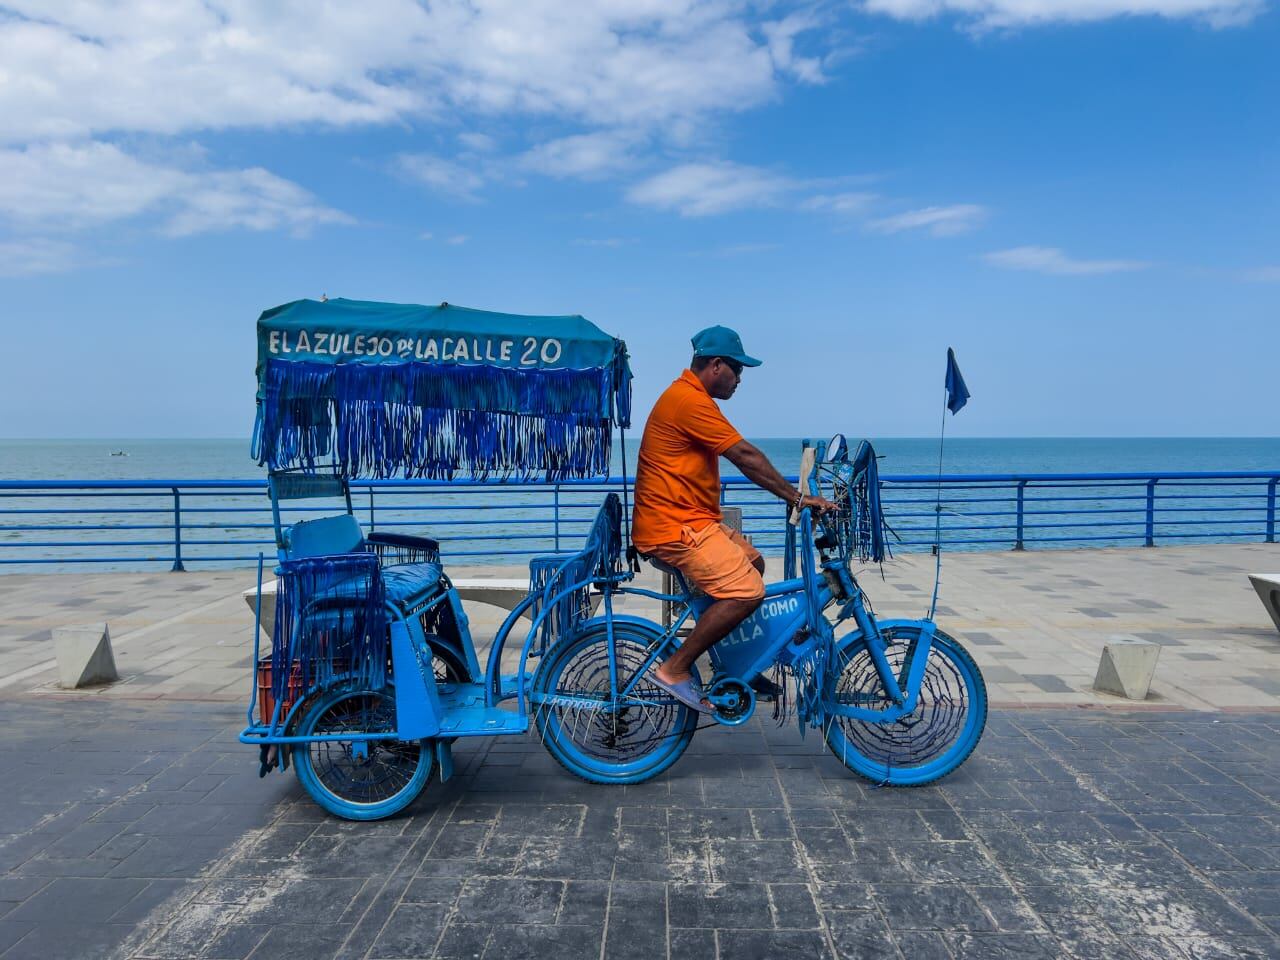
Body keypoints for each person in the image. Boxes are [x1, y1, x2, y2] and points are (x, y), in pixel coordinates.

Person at [632, 325, 836, 712]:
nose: (740, 379)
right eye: (737, 370)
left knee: (753, 562)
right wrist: (798, 497)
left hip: (692, 520)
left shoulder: (692, 398)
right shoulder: (688, 401)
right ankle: (674, 668)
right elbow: (746, 456)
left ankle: (735, 661)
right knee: (745, 592)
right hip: (674, 527)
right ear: (716, 365)